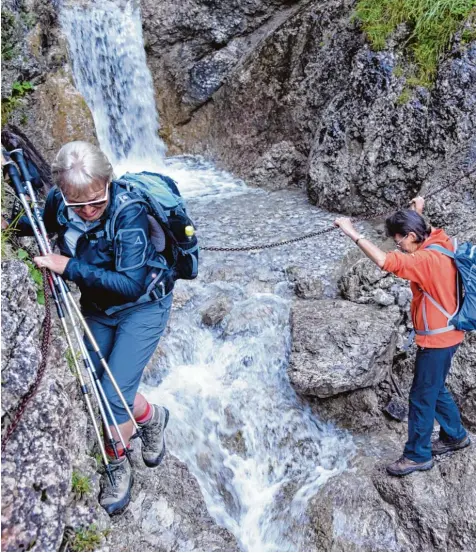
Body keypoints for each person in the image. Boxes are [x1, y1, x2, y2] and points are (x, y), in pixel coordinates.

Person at [10, 141, 174, 513]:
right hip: (99, 307)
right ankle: (153, 417)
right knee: (101, 385)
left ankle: (117, 465)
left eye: (96, 203)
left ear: (107, 183)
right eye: (76, 205)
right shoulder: (59, 204)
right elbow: (37, 225)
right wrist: (10, 227)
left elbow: (130, 284)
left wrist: (66, 266)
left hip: (143, 307)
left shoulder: (128, 213)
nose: (86, 212)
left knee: (113, 396)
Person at [334, 196, 470, 476]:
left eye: (400, 242)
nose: (400, 248)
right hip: (450, 333)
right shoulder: (438, 240)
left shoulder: (424, 260)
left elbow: (385, 261)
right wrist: (416, 211)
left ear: (411, 236)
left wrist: (351, 232)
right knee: (434, 388)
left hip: (437, 341)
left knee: (421, 397)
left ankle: (417, 455)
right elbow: (418, 230)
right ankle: (455, 436)